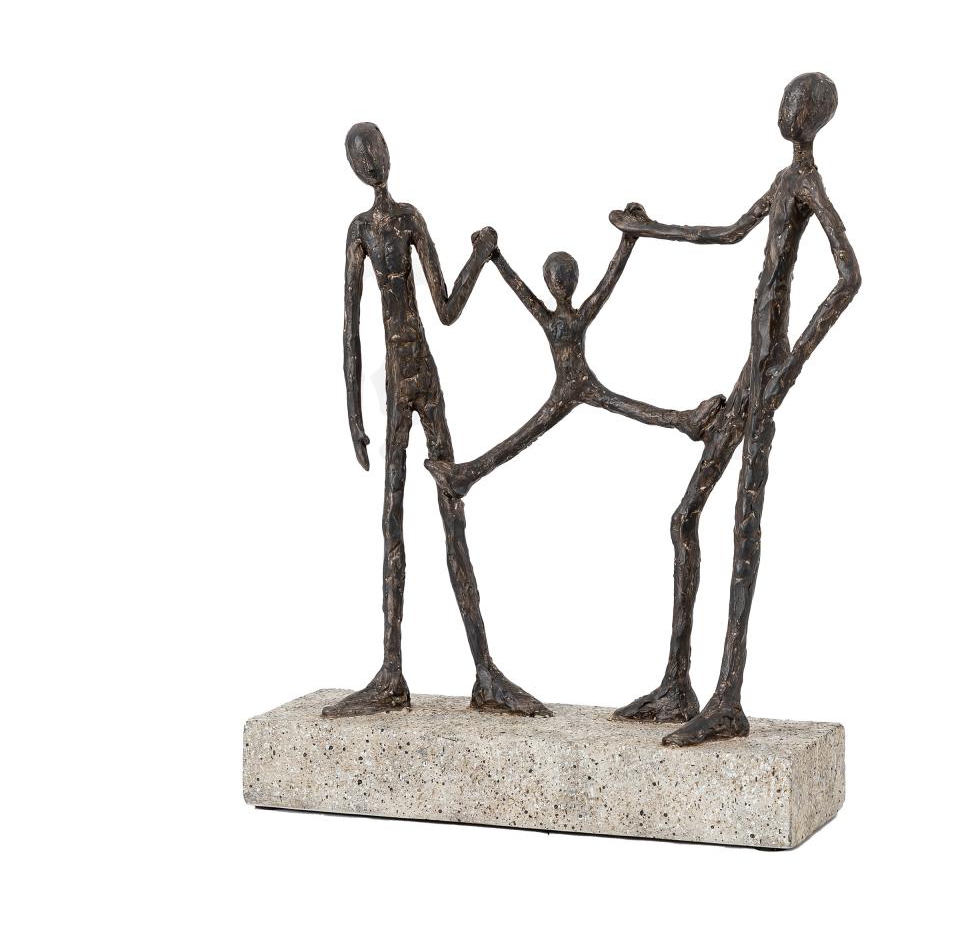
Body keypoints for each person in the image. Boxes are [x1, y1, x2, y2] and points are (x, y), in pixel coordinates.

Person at [610, 74, 861, 746]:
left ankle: (728, 699)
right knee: (686, 516)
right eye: (784, 100)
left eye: (795, 103)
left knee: (742, 528)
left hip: (767, 372)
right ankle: (678, 684)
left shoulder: (807, 185)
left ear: (813, 116)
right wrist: (646, 229)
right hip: (751, 371)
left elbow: (849, 277)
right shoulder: (783, 182)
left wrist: (790, 367)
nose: (785, 110)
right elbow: (725, 234)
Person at [322, 123, 549, 720]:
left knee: (451, 513)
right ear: (357, 168)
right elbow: (351, 327)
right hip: (401, 381)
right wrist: (354, 414)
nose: (373, 162)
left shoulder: (407, 219)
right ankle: (392, 672)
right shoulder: (362, 230)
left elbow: (445, 307)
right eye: (363, 156)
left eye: (375, 151)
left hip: (423, 373)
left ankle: (484, 672)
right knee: (393, 517)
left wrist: (479, 257)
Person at [425, 213, 724, 499]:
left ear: (552, 282)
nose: (561, 283)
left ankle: (466, 475)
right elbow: (604, 282)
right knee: (618, 409)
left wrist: (497, 258)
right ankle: (684, 420)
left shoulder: (554, 317)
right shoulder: (568, 316)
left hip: (574, 387)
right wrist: (627, 241)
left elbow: (528, 289)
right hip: (572, 387)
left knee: (525, 436)